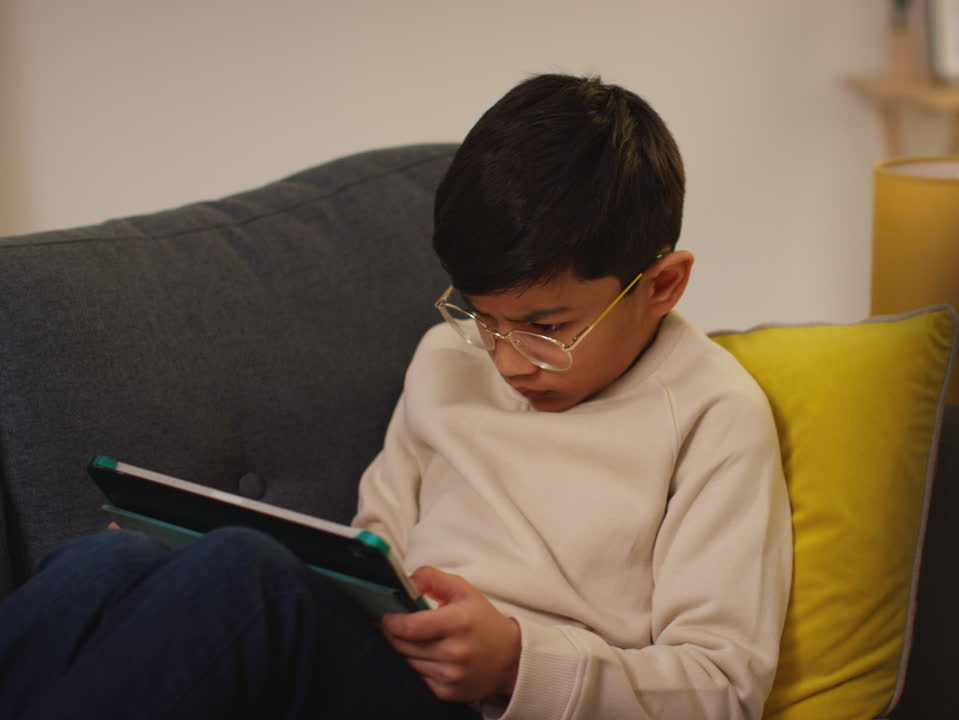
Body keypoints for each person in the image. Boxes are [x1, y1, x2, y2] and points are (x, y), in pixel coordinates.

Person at [0, 74, 791, 720]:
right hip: (385, 670)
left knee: (245, 576)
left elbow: (720, 686)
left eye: (545, 327)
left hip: (501, 705)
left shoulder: (713, 418)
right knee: (110, 558)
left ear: (663, 284)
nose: (506, 361)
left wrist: (515, 659)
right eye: (483, 319)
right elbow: (375, 537)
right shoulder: (447, 360)